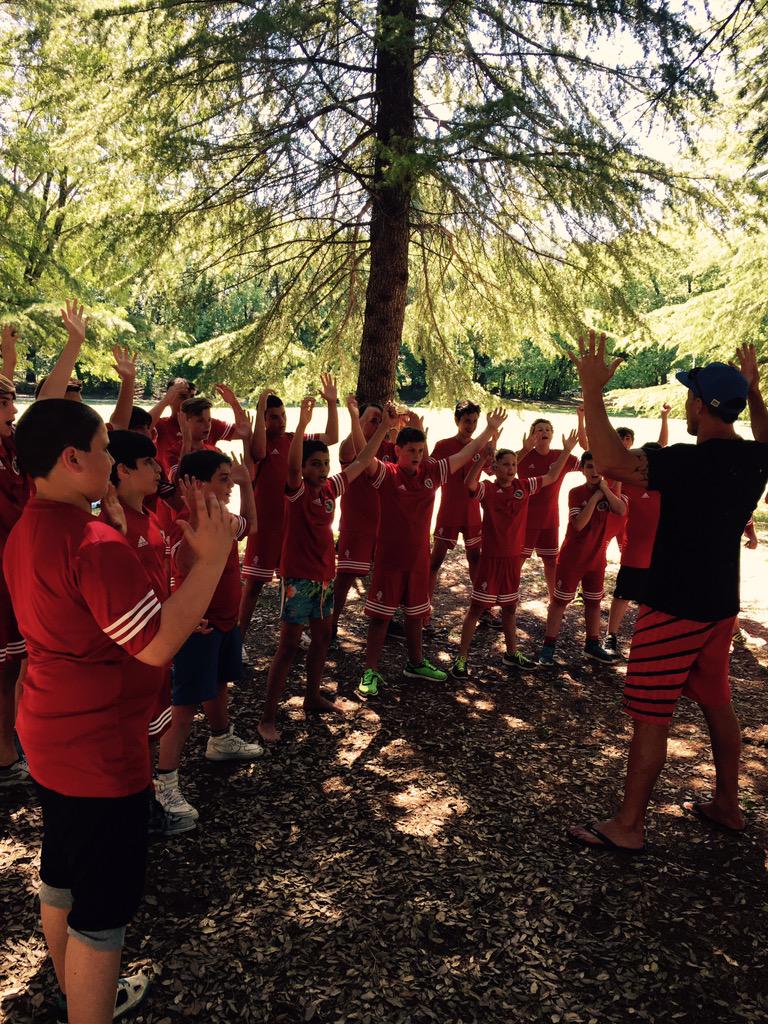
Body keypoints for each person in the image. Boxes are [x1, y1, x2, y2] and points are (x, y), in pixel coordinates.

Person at [5, 397, 238, 1024]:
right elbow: (157, 643)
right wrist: (213, 558)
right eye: (105, 450)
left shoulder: (29, 526)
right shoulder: (92, 543)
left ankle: (73, 990)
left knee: (62, 868)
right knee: (104, 907)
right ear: (72, 458)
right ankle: (90, 1005)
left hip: (49, 733)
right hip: (98, 749)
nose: (112, 461)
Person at [568, 333, 768, 854]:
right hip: (720, 605)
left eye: (690, 395)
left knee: (651, 716)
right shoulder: (755, 460)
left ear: (700, 405)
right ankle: (727, 805)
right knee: (718, 704)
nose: (686, 404)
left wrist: (592, 390)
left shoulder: (685, 461)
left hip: (674, 606)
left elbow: (611, 462)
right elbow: (764, 432)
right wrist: (752, 391)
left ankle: (629, 825)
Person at [259, 398, 399, 741]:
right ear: (304, 468)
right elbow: (292, 468)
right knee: (288, 646)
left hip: (324, 577)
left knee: (322, 638)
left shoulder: (331, 489)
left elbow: (363, 460)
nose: (322, 469)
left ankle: (312, 697)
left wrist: (384, 427)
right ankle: (267, 718)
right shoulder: (297, 492)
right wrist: (302, 426)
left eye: (325, 463)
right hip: (298, 579)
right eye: (315, 464)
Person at [357, 407, 508, 699]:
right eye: (410, 450)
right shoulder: (387, 473)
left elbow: (466, 453)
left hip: (417, 560)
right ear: (397, 451)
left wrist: (489, 430)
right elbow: (365, 458)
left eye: (420, 450)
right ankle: (370, 670)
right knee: (381, 618)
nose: (416, 455)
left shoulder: (431, 472)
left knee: (415, 616)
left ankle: (415, 663)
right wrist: (384, 427)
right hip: (390, 560)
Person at [158, 449, 262, 820]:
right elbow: (181, 564)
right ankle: (165, 783)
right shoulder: (184, 523)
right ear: (196, 485)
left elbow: (251, 525)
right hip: (197, 627)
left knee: (219, 682)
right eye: (223, 478)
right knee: (184, 706)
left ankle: (220, 738)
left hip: (224, 621)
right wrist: (195, 512)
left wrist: (247, 485)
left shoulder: (224, 517)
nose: (230, 484)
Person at [451, 430, 579, 679]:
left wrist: (566, 451)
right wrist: (482, 458)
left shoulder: (524, 486)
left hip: (512, 560)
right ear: (495, 468)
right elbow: (468, 483)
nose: (511, 469)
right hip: (491, 560)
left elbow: (552, 476)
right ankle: (461, 658)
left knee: (510, 609)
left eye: (514, 464)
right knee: (477, 608)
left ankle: (511, 653)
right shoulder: (488, 489)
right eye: (506, 465)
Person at [239, 376, 339, 638]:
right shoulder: (259, 444)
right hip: (265, 528)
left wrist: (331, 403)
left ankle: (296, 628)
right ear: (263, 420)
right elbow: (258, 453)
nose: (280, 421)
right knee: (254, 586)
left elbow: (331, 437)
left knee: (294, 581)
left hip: (291, 528)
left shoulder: (295, 440)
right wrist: (259, 409)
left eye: (282, 415)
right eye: (273, 417)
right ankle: (238, 639)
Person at [536, 452, 628, 666]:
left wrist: (605, 490)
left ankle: (592, 644)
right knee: (559, 602)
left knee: (594, 602)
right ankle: (548, 647)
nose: (594, 471)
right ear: (583, 470)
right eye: (589, 467)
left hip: (597, 559)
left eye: (597, 467)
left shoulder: (611, 492)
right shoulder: (576, 493)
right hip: (572, 559)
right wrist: (595, 498)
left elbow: (621, 511)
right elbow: (578, 524)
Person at [332, 399, 396, 638]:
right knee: (345, 578)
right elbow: (348, 452)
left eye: (380, 421)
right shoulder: (350, 446)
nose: (378, 425)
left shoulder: (389, 448)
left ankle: (385, 622)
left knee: (385, 576)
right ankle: (330, 624)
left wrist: (402, 425)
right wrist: (356, 420)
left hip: (384, 526)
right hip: (356, 525)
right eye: (373, 420)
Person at [0, 327, 30, 786]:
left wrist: (8, 355)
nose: (15, 409)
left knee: (13, 666)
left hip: (14, 571)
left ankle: (9, 743)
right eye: (6, 403)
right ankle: (5, 757)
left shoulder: (10, 447)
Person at [603, 442, 663, 658]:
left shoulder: (669, 486)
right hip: (635, 552)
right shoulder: (630, 484)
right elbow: (615, 500)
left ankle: (650, 639)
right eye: (644, 460)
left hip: (661, 553)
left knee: (656, 598)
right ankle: (611, 635)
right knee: (623, 594)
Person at [517, 416, 583, 600]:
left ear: (553, 434)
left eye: (547, 429)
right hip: (526, 519)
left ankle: (554, 600)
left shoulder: (561, 456)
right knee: (518, 560)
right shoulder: (523, 456)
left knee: (551, 561)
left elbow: (589, 466)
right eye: (539, 429)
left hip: (550, 519)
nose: (544, 432)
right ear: (532, 435)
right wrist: (524, 449)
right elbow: (501, 468)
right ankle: (506, 598)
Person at [428, 401, 483, 599]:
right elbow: (428, 470)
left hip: (472, 512)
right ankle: (423, 605)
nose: (471, 426)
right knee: (435, 562)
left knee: (475, 559)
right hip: (449, 511)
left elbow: (499, 470)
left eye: (475, 421)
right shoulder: (443, 445)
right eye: (467, 421)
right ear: (456, 420)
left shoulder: (480, 446)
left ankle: (482, 606)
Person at [149, 378, 246, 476]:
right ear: (170, 398)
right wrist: (165, 401)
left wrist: (233, 402)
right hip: (168, 483)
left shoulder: (209, 423)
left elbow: (243, 432)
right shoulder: (161, 425)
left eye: (192, 396)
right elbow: (143, 427)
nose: (188, 400)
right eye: (182, 396)